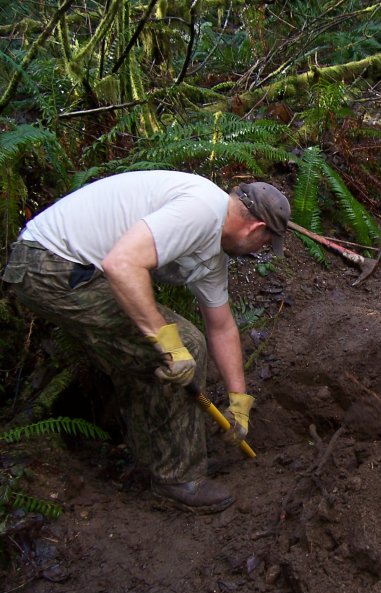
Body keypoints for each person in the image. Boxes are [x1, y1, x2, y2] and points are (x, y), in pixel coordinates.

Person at [1, 170, 291, 514]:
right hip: (50, 265)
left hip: (66, 268)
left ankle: (153, 462)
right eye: (264, 244)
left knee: (148, 363)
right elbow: (122, 264)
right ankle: (180, 479)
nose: (260, 252)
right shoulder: (202, 209)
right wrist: (168, 341)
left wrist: (238, 400)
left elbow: (222, 325)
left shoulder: (213, 247)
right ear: (256, 229)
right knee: (186, 344)